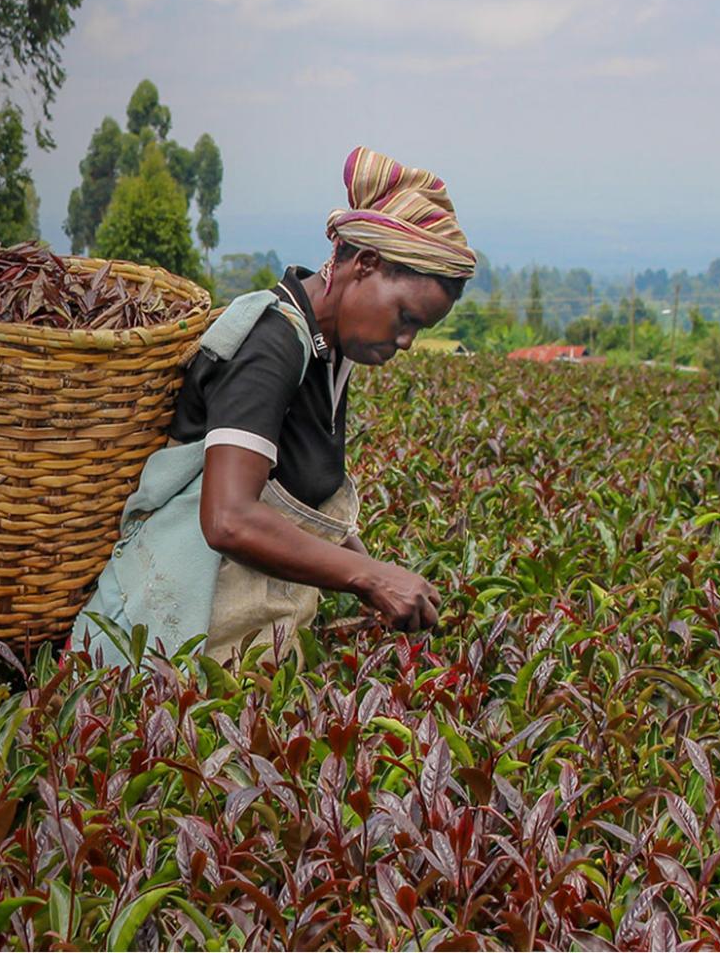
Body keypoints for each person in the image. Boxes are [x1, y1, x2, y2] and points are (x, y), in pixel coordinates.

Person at [71, 146, 476, 666]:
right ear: (365, 265)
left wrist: (380, 581)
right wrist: (370, 577)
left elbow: (293, 500)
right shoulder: (272, 344)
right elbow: (228, 519)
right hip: (163, 654)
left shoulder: (328, 350)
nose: (406, 342)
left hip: (239, 649)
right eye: (405, 318)